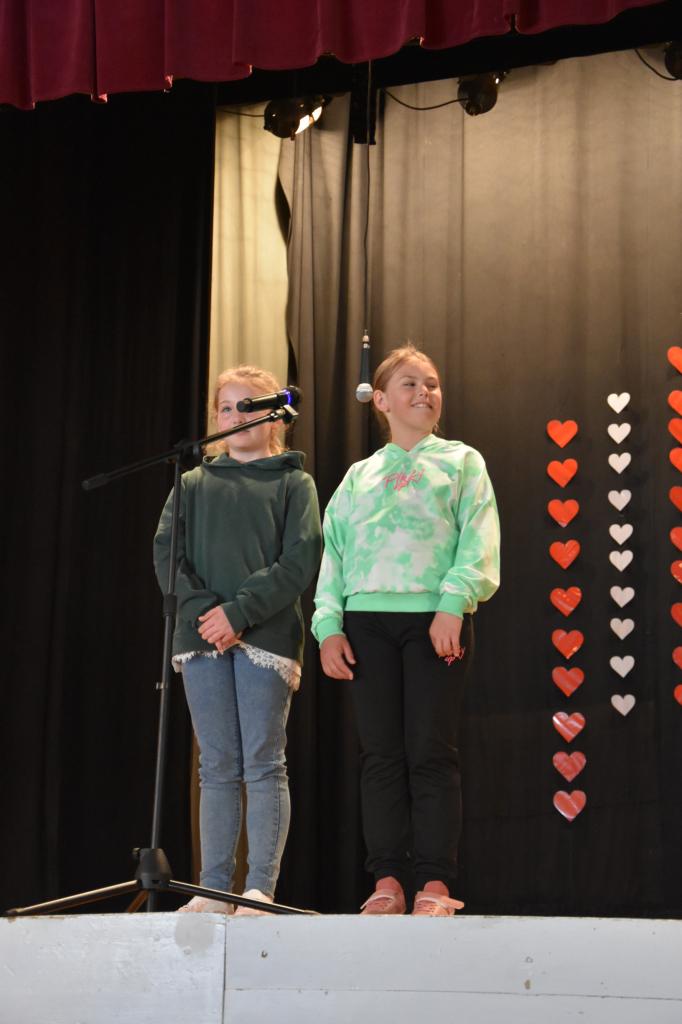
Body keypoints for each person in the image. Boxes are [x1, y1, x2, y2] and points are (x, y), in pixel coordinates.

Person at [312, 344, 500, 917]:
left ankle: (435, 885)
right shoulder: (359, 476)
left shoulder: (462, 462)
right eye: (410, 384)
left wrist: (453, 604)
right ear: (382, 400)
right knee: (381, 755)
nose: (424, 392)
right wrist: (328, 625)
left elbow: (478, 536)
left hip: (434, 621)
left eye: (432, 384)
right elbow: (334, 553)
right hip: (366, 624)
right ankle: (388, 880)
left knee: (430, 751)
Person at [154, 365, 321, 915]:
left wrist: (241, 612)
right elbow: (167, 553)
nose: (235, 416)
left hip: (265, 636)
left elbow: (299, 558)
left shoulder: (293, 483)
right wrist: (207, 613)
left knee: (263, 760)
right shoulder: (192, 484)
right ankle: (215, 888)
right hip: (202, 635)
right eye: (226, 408)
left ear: (275, 418)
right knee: (217, 764)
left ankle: (259, 888)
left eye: (248, 406)